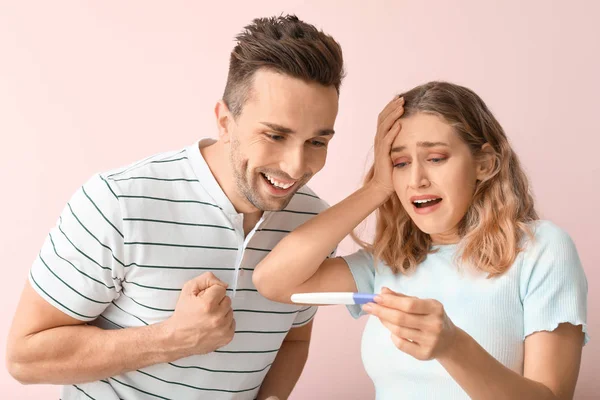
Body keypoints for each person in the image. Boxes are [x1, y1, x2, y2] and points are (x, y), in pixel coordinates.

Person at [6, 14, 344, 400]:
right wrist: (172, 339)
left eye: (317, 142)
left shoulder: (316, 223)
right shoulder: (118, 202)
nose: (296, 166)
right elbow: (24, 358)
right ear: (224, 122)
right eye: (275, 135)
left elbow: (293, 341)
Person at [253, 81, 588, 399]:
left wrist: (453, 346)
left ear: (485, 164)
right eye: (399, 163)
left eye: (436, 158)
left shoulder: (540, 249)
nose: (416, 180)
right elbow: (272, 281)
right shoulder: (390, 262)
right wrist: (376, 189)